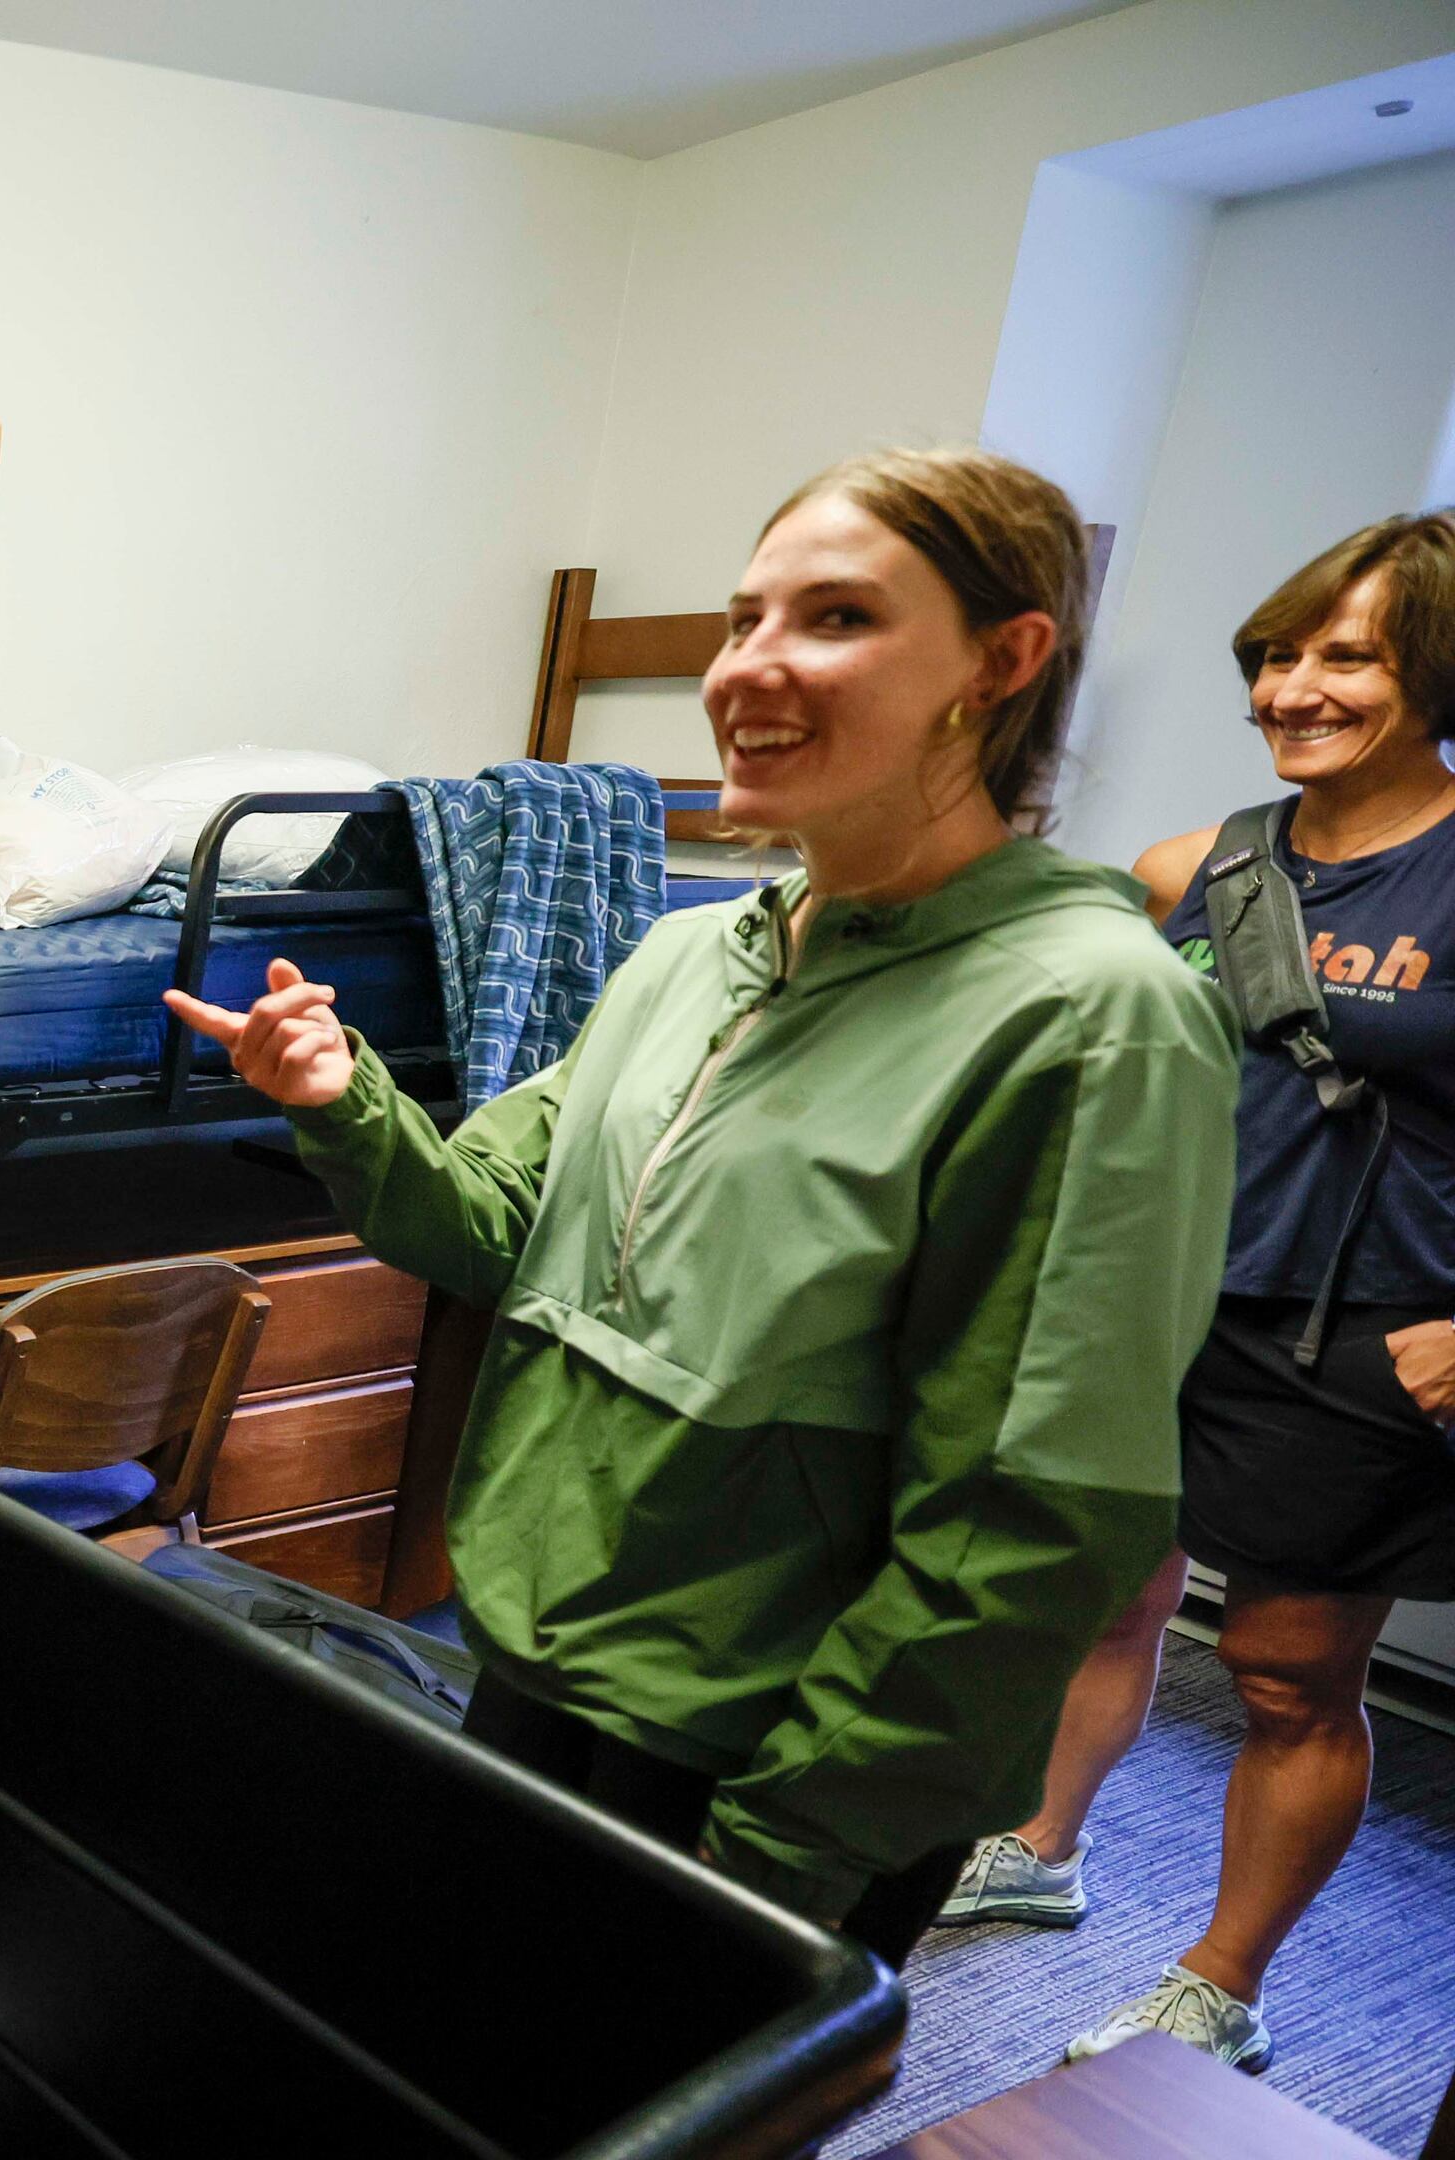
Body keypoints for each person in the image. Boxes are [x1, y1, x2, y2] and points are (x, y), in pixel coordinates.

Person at [170, 447, 1237, 1966]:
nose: (750, 667)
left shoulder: (1087, 1017)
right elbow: (494, 1227)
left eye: (838, 619)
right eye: (744, 620)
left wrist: (790, 1847)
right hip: (550, 1653)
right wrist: (346, 1103)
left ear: (1004, 662)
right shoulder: (691, 955)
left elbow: (1031, 1518)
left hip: (767, 1754)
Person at [936, 512, 1455, 2075]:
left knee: (1288, 1675)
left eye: (1347, 656)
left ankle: (1222, 1982)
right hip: (1157, 1300)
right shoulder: (1197, 868)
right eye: (1277, 655)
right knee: (1105, 1595)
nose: (1294, 687)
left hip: (1362, 1328)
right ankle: (1044, 1846)